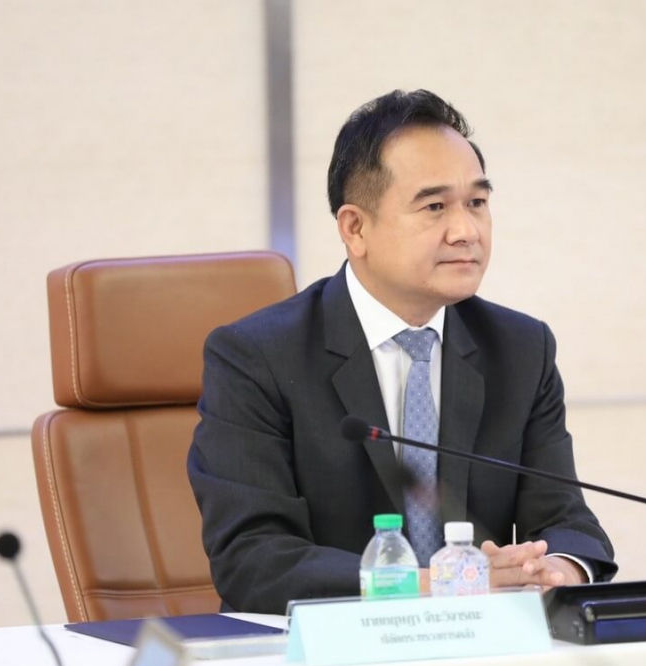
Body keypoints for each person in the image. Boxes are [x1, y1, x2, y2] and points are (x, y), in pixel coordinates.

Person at [188, 89, 616, 614]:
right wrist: (437, 585)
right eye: (434, 207)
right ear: (355, 228)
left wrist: (556, 570)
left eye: (477, 203)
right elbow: (253, 559)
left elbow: (567, 521)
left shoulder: (520, 349)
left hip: (484, 645)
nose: (466, 231)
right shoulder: (258, 356)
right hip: (330, 647)